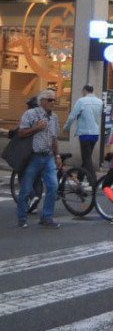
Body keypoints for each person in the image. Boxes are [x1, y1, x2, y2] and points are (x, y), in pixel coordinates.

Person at [15, 90, 62, 228]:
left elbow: (54, 138)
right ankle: (22, 218)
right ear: (41, 101)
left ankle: (46, 217)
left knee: (53, 186)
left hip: (47, 157)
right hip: (33, 157)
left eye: (54, 100)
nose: (52, 103)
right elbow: (21, 133)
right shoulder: (31, 114)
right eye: (49, 100)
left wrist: (57, 155)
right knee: (26, 188)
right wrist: (37, 128)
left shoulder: (54, 117)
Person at [63, 84, 102, 181]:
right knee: (87, 157)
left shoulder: (81, 101)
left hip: (85, 133)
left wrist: (66, 127)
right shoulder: (100, 102)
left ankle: (93, 180)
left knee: (87, 158)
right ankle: (80, 176)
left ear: (85, 90)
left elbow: (72, 116)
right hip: (95, 133)